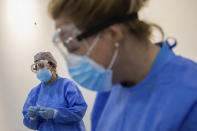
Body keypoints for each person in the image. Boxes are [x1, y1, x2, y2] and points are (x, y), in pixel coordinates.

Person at [48, 0, 197, 131]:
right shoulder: (111, 88)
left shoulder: (190, 97)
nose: (73, 61)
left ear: (112, 34)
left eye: (74, 48)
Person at [22, 52, 87, 131]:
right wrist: (32, 117)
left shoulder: (67, 86)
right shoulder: (35, 92)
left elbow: (80, 110)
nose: (39, 70)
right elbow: (30, 124)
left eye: (42, 66)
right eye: (36, 68)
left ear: (53, 66)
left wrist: (56, 114)